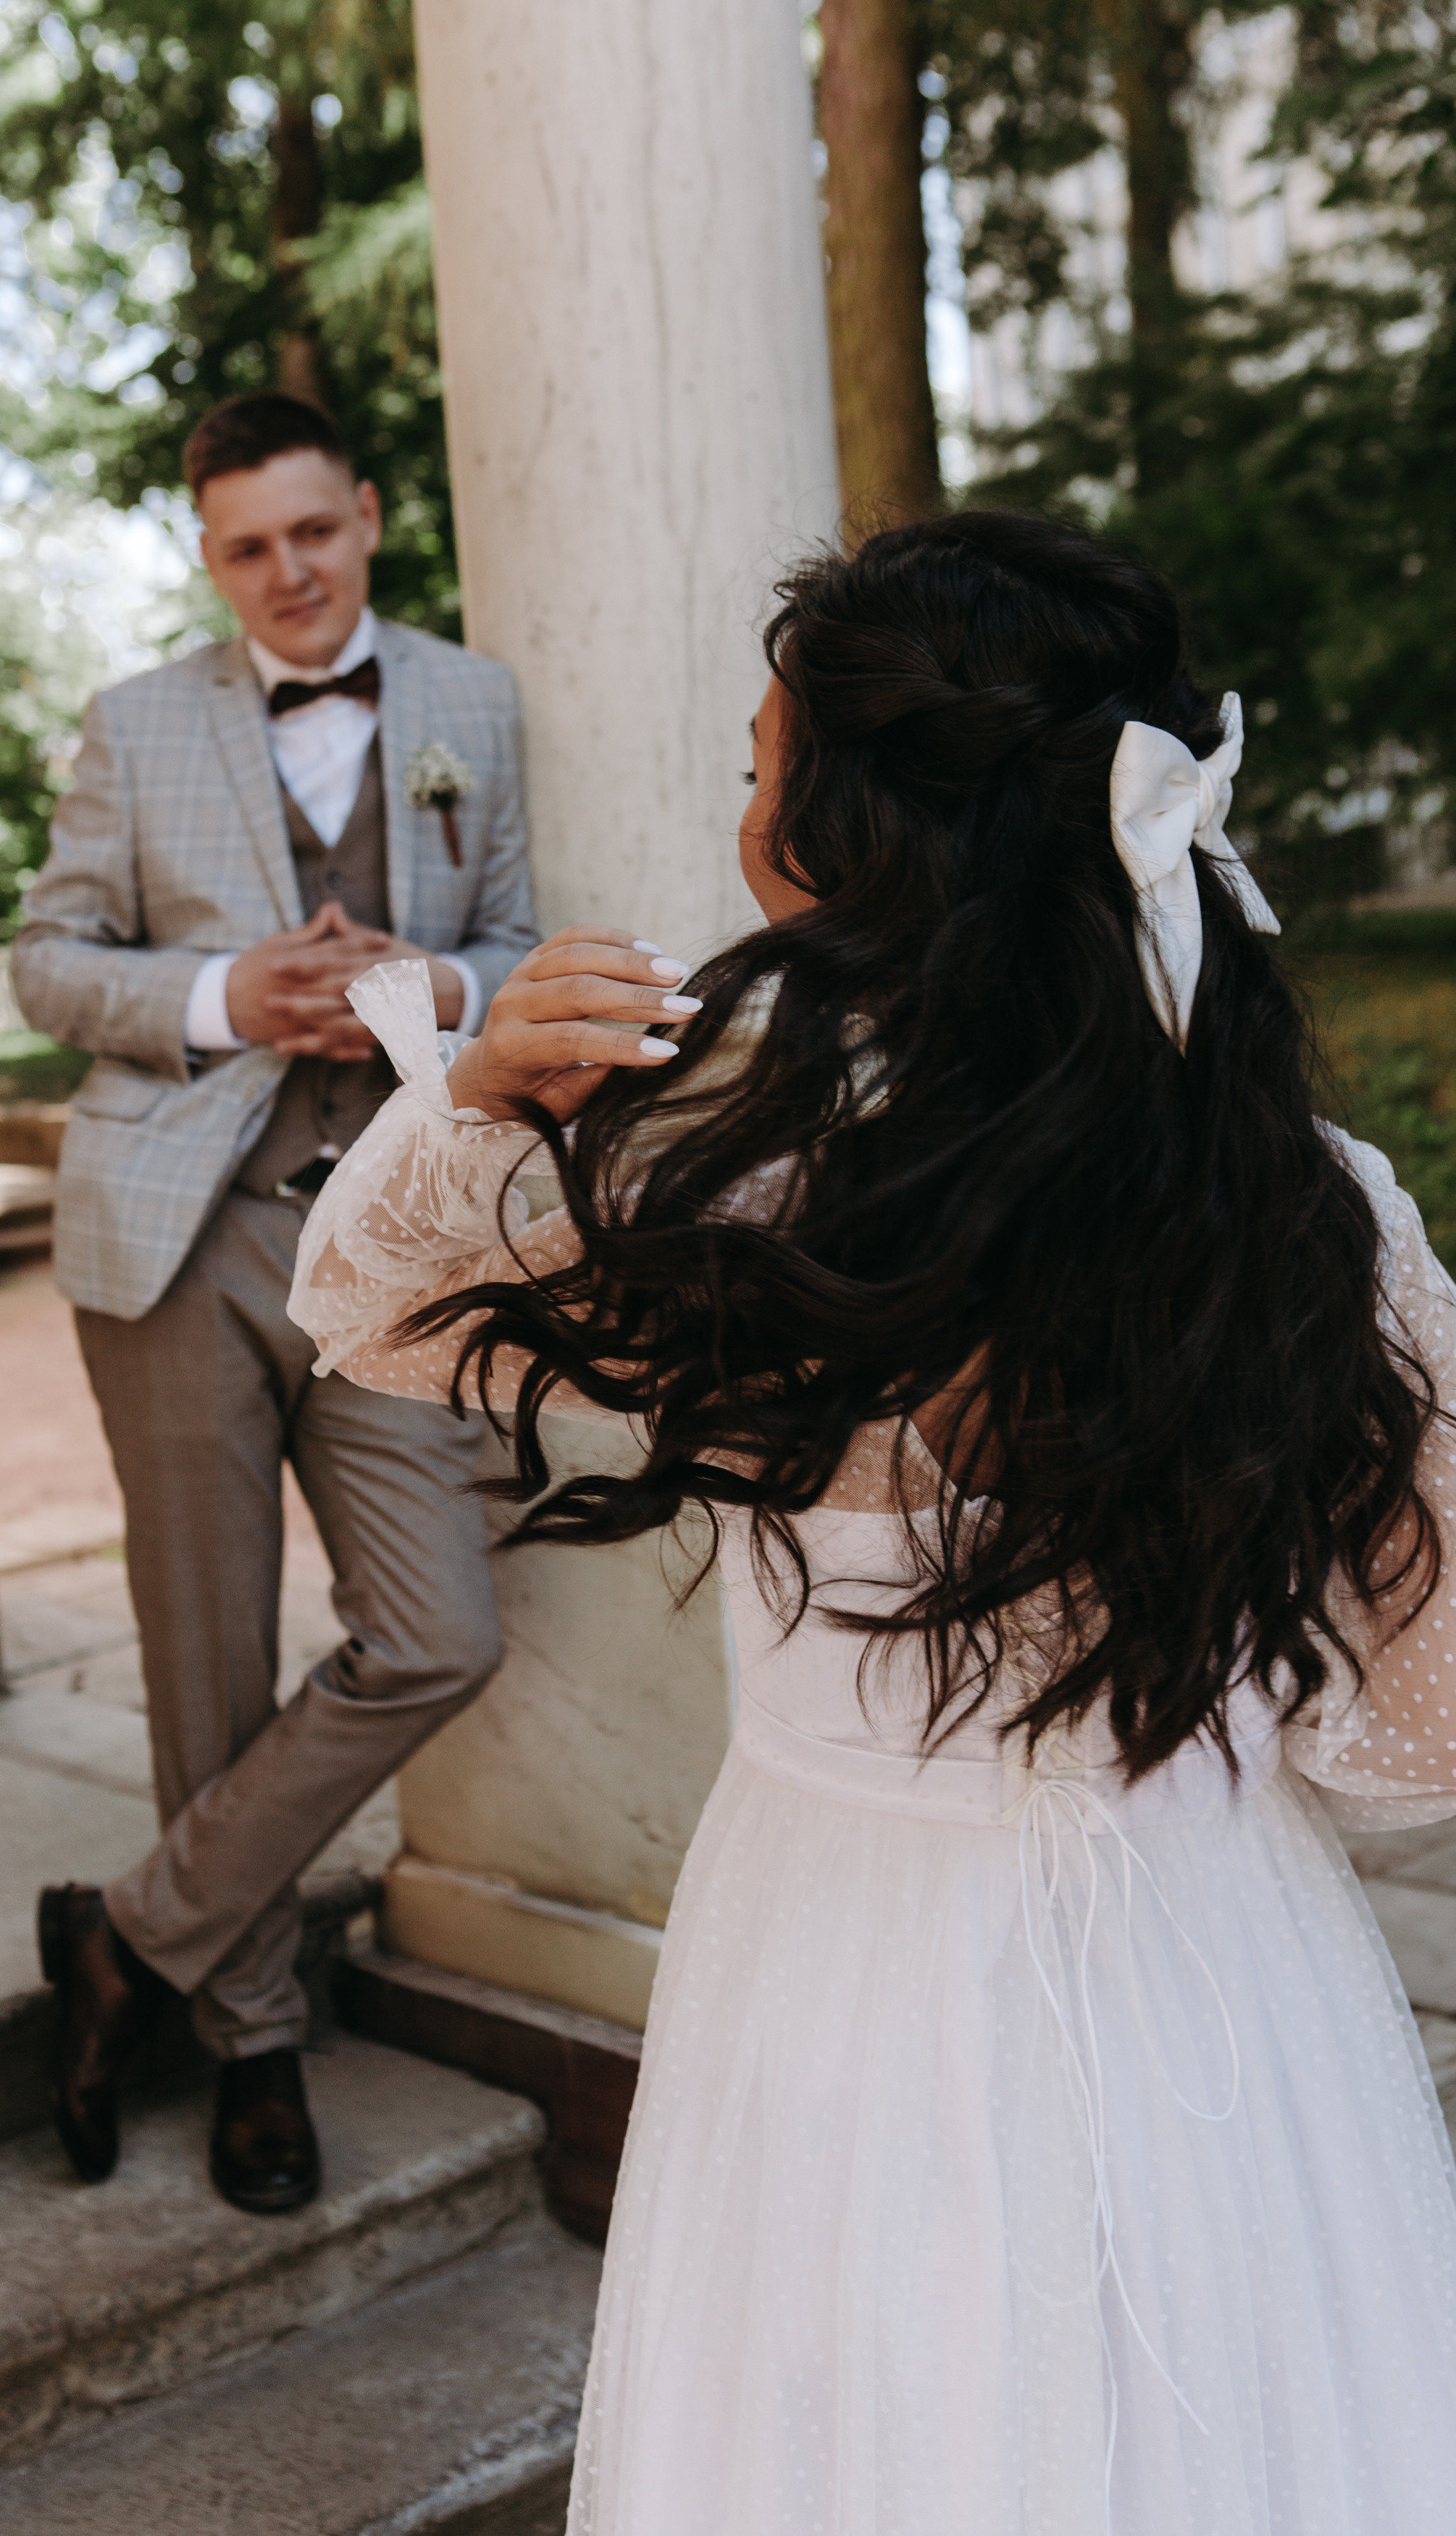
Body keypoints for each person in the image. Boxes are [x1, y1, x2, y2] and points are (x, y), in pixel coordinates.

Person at [285, 512, 1456, 2531]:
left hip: (841, 1956)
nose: (743, 813)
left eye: (764, 771)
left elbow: (363, 1307)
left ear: (846, 841)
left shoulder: (734, 1193)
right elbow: (1429, 1699)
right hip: (1215, 1951)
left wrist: (472, 1098)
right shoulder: (1304, 1211)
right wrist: (1211, 1730)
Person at [13, 391, 538, 2214]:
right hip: (183, 1233)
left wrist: (439, 988)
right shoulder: (135, 721)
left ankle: (129, 1934)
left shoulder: (474, 704)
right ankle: (252, 2039)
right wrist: (225, 995)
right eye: (248, 546)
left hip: (387, 1231)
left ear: (368, 515)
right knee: (207, 1656)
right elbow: (48, 960)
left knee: (440, 1631)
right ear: (210, 557)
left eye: (314, 530)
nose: (290, 571)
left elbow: (522, 940)